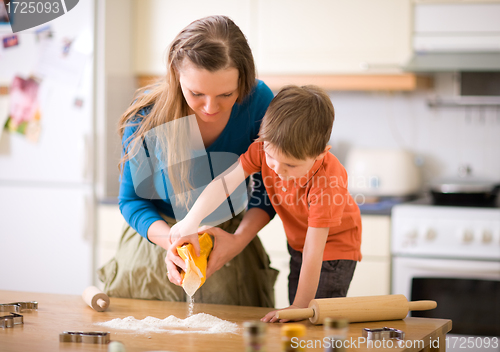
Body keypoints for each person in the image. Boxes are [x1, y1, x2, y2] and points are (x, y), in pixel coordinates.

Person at [98, 15, 279, 307]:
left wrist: (238, 241)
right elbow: (131, 201)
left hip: (229, 247)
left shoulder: (258, 101)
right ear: (176, 74)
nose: (210, 107)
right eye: (196, 93)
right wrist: (172, 241)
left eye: (226, 94)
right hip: (154, 249)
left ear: (243, 82)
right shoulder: (145, 115)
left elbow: (269, 190)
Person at [168, 85, 362, 322]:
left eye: (290, 165)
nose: (277, 170)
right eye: (270, 157)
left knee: (314, 318)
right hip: (300, 245)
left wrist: (300, 306)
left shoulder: (327, 181)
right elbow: (225, 183)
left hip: (333, 251)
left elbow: (315, 249)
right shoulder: (264, 149)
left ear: (320, 154)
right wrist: (191, 220)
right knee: (298, 315)